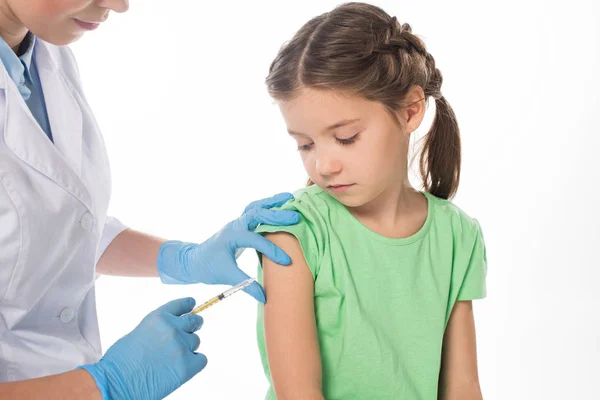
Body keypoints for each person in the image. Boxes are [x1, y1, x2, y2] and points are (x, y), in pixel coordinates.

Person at [0, 0, 299, 399]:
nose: (118, 5)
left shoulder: (44, 56)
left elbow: (53, 226)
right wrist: (105, 386)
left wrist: (185, 258)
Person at [255, 3, 487, 399]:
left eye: (345, 137)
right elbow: (299, 393)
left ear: (411, 110)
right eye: (305, 144)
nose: (323, 165)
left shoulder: (456, 234)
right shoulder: (294, 232)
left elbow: (462, 386)